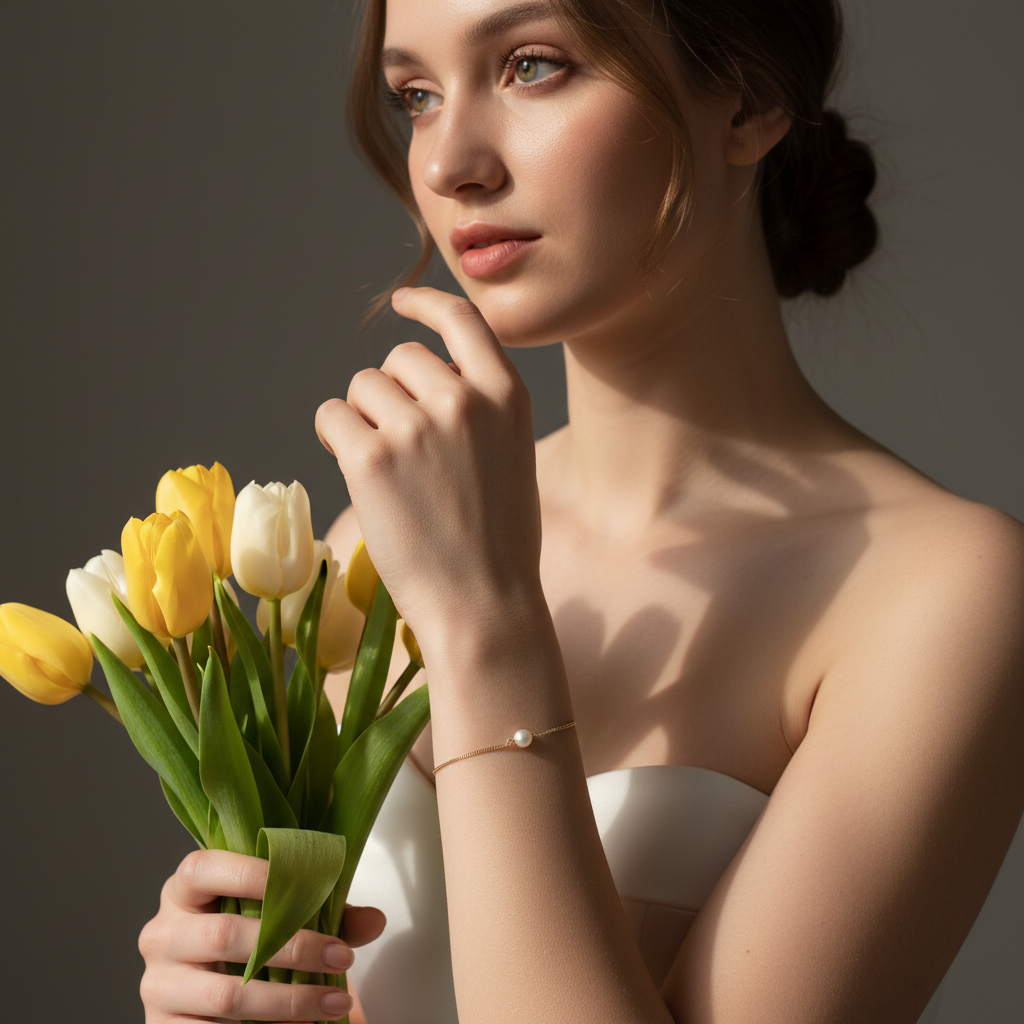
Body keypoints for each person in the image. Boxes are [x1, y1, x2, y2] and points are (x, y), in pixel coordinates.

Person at [137, 0, 1024, 1021]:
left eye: (532, 66)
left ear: (750, 99)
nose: (448, 163)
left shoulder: (942, 593)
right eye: (417, 96)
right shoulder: (369, 549)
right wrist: (207, 990)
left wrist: (487, 629)